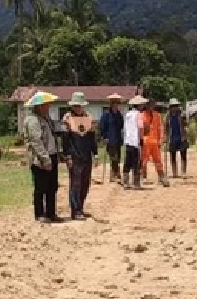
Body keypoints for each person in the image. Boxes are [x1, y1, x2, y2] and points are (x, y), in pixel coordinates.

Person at [23, 91, 63, 223]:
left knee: (52, 186)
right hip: (40, 159)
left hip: (52, 155)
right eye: (47, 105)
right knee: (41, 187)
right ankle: (39, 214)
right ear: (39, 106)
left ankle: (51, 213)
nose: (49, 107)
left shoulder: (47, 119)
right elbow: (36, 142)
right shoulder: (32, 120)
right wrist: (45, 159)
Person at [60, 92, 98, 221]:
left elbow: (92, 138)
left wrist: (96, 153)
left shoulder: (89, 118)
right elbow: (65, 140)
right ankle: (75, 210)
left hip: (87, 156)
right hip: (74, 156)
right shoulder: (67, 119)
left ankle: (81, 206)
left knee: (85, 183)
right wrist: (67, 156)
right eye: (76, 105)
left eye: (80, 105)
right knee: (75, 184)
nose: (78, 108)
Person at [140, 98, 170, 187]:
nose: (151, 106)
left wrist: (161, 139)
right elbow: (141, 128)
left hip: (155, 142)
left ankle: (161, 176)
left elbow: (160, 128)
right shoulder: (142, 115)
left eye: (152, 105)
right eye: (149, 105)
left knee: (158, 160)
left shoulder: (157, 115)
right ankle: (142, 176)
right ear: (146, 106)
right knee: (144, 160)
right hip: (146, 141)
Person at [98, 93, 125, 183]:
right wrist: (104, 137)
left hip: (117, 139)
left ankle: (114, 174)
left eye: (117, 103)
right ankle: (116, 174)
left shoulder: (119, 115)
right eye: (114, 103)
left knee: (118, 157)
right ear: (111, 104)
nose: (116, 105)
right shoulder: (106, 114)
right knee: (113, 157)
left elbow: (121, 125)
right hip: (109, 139)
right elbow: (102, 126)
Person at [122, 95, 146, 190]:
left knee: (127, 162)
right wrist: (141, 140)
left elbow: (125, 128)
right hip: (135, 142)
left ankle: (126, 182)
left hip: (128, 141)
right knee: (136, 163)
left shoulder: (127, 114)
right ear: (139, 105)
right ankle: (136, 183)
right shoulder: (139, 115)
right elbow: (140, 128)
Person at [164, 98, 189, 178]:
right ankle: (174, 173)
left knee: (183, 155)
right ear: (170, 107)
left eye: (176, 106)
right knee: (173, 156)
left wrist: (183, 118)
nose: (175, 108)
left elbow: (186, 124)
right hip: (172, 137)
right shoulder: (168, 116)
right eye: (173, 106)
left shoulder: (182, 114)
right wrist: (165, 138)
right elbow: (166, 127)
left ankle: (183, 172)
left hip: (182, 137)